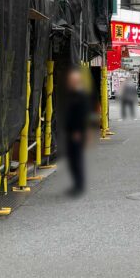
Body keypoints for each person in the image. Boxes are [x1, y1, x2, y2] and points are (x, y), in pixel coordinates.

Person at [63, 68, 92, 196]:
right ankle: (76, 184)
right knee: (72, 159)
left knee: (76, 159)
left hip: (77, 133)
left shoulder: (81, 96)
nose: (70, 82)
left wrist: (79, 131)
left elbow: (83, 116)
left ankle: (79, 185)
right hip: (71, 131)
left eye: (72, 80)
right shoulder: (73, 94)